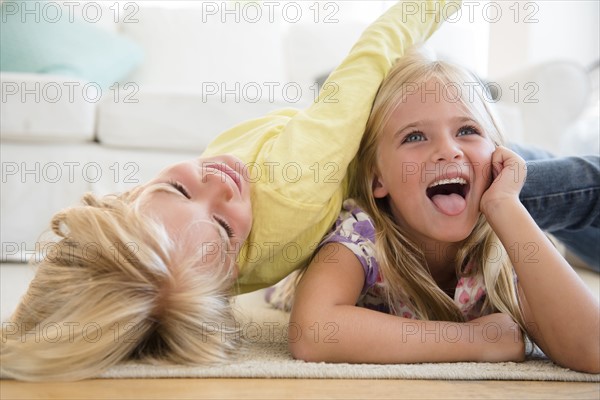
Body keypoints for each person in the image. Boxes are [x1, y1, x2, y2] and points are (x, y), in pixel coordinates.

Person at [0, 0, 461, 381]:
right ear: (218, 289)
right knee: (515, 176)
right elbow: (374, 50)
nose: (219, 183)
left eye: (178, 188)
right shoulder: (292, 181)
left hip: (367, 120)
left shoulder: (198, 262)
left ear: (125, 195)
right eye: (222, 228)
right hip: (423, 151)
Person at [287, 49, 600, 373]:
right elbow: (312, 331)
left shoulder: (505, 241)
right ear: (378, 178)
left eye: (467, 130)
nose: (448, 150)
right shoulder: (361, 232)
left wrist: (505, 205)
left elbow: (592, 350)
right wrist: (474, 341)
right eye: (415, 136)